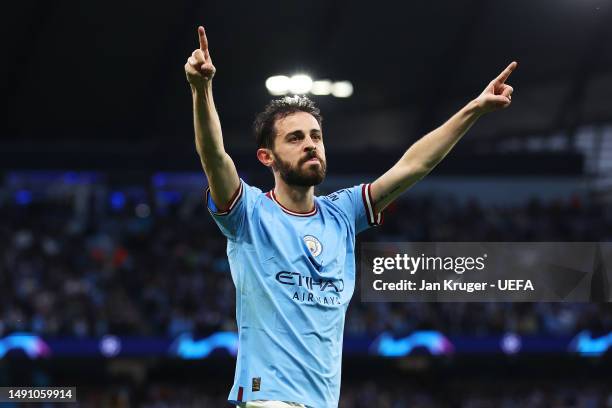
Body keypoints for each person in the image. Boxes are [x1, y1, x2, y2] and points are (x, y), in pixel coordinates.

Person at [184, 25, 516, 408]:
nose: (310, 144)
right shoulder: (249, 213)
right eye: (295, 138)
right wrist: (201, 89)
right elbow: (213, 156)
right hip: (268, 399)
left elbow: (414, 165)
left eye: (316, 136)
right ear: (266, 157)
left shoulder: (342, 213)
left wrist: (475, 108)